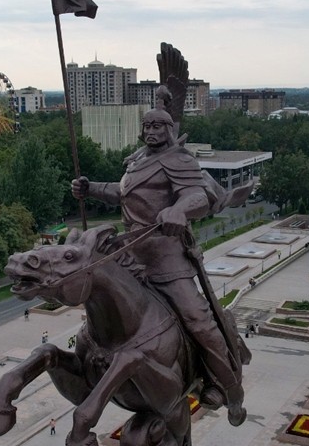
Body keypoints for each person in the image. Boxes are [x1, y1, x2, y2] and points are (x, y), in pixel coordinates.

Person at [72, 105, 248, 426]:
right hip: (131, 257)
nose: (151, 131)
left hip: (167, 259)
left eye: (158, 126)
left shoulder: (179, 160)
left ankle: (227, 385)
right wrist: (91, 188)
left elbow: (197, 196)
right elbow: (122, 193)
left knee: (198, 320)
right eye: (147, 126)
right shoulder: (137, 161)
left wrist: (179, 210)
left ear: (169, 130)